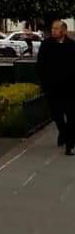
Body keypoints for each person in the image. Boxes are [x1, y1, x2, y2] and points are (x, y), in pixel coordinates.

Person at [37, 20, 75, 154]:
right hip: (52, 87)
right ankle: (63, 132)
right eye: (52, 28)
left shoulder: (71, 46)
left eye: (57, 28)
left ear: (64, 31)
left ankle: (69, 145)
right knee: (56, 114)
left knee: (71, 115)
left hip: (69, 88)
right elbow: (40, 65)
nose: (54, 31)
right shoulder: (46, 45)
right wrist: (43, 82)